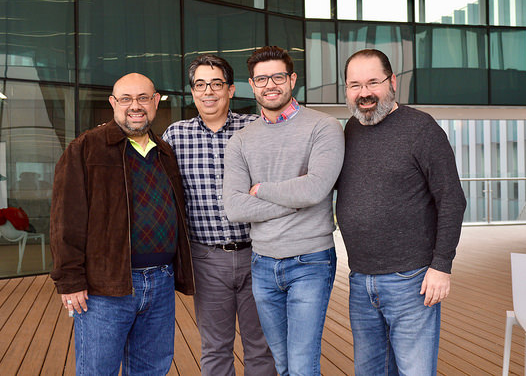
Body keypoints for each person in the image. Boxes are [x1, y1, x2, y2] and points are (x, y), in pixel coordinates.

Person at [49, 73, 195, 375]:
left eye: (143, 98)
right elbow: (65, 221)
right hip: (105, 288)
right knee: (97, 370)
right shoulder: (85, 149)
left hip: (161, 283)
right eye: (126, 99)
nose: (135, 106)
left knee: (151, 370)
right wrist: (70, 280)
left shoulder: (164, 152)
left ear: (155, 102)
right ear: (113, 103)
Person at [336, 49, 467, 375]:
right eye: (355, 85)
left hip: (412, 281)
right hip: (360, 281)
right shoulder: (348, 131)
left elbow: (451, 199)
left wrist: (441, 266)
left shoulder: (421, 129)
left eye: (372, 82)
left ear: (392, 82)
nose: (364, 93)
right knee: (370, 371)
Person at [222, 45, 344, 375]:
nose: (270, 85)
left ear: (292, 79)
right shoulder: (242, 140)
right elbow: (234, 206)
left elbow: (316, 189)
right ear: (252, 84)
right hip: (262, 263)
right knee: (283, 364)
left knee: (303, 366)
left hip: (311, 260)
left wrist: (262, 190)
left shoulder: (324, 127)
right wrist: (295, 203)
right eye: (262, 79)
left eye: (277, 76)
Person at [163, 54, 275, 375]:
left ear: (231, 89)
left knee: (261, 345)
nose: (208, 91)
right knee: (215, 347)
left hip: (259, 255)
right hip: (206, 259)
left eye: (216, 84)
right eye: (200, 84)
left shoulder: (254, 128)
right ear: (193, 91)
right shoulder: (175, 136)